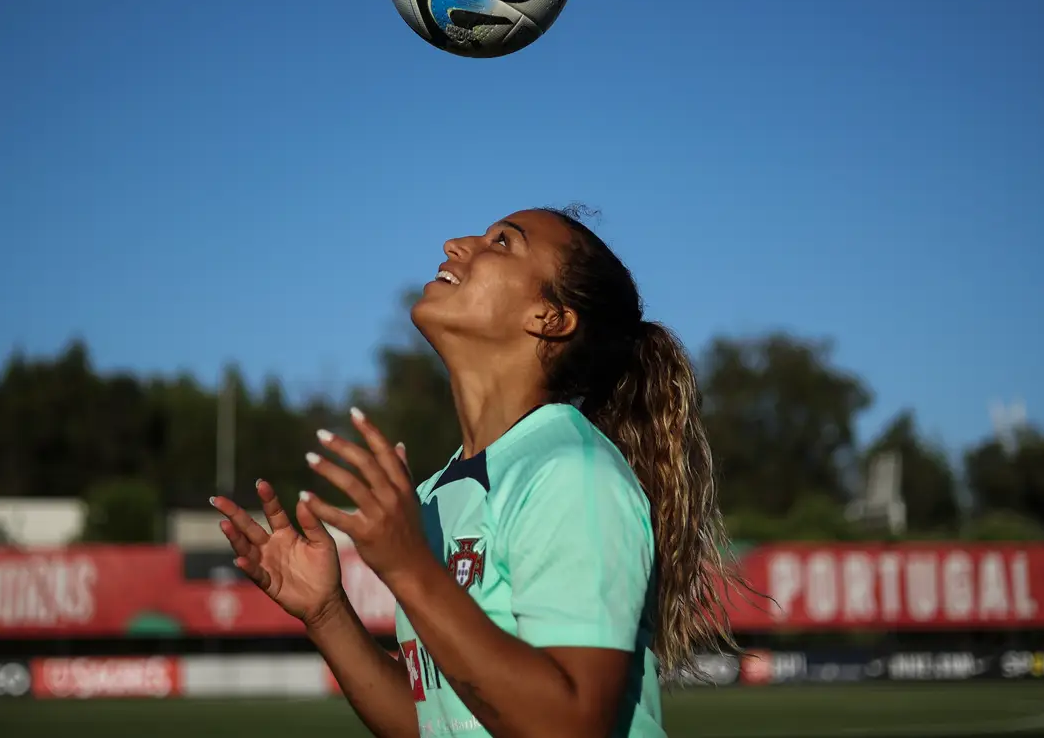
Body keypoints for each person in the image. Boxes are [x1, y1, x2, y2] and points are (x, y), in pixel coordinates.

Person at [211, 206, 740, 738]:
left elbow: (572, 726)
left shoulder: (572, 473)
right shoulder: (435, 492)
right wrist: (326, 612)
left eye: (503, 243)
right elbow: (437, 724)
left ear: (550, 318)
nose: (455, 244)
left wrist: (409, 568)